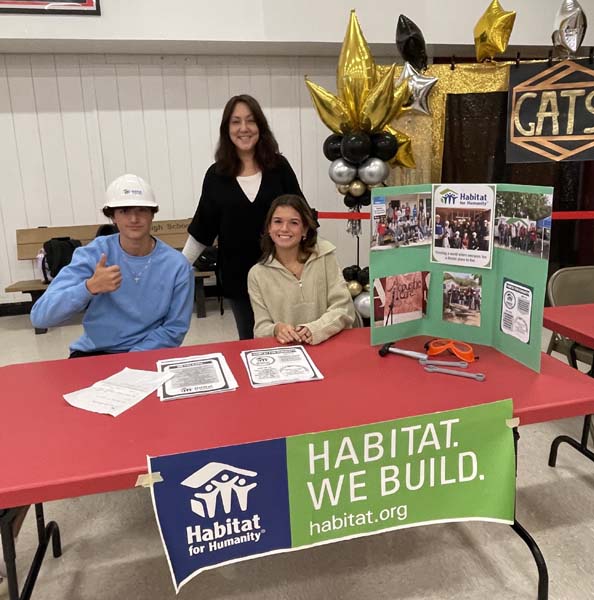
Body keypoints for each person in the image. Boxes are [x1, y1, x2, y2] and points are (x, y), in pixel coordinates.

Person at [30, 174, 194, 357]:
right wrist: (89, 287)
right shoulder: (92, 255)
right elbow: (40, 317)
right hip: (95, 353)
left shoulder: (177, 265)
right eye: (124, 210)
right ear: (113, 216)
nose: (133, 218)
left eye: (141, 210)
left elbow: (174, 329)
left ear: (152, 214)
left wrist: (131, 360)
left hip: (149, 353)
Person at [183, 94, 304, 340]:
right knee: (251, 343)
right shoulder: (216, 175)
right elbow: (203, 228)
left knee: (291, 341)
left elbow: (302, 220)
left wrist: (313, 265)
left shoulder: (279, 168)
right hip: (239, 281)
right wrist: (176, 270)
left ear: (260, 126)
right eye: (236, 122)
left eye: (250, 121)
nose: (244, 128)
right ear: (227, 129)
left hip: (283, 276)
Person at [248, 194, 357, 345]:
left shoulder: (325, 256)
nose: (284, 229)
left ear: (305, 229)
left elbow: (343, 307)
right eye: (278, 221)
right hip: (288, 354)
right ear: (269, 228)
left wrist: (315, 329)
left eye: (294, 223)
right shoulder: (257, 274)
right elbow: (260, 328)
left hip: (332, 346)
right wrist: (276, 329)